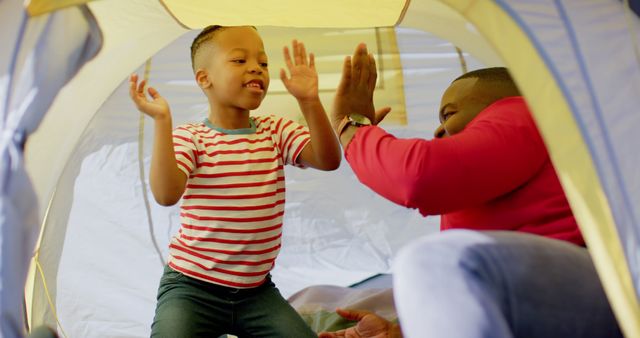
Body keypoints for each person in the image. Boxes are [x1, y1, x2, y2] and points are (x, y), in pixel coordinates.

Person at [320, 44, 622, 338]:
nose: (438, 131)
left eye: (448, 114)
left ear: (499, 101)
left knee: (434, 261)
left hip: (593, 288)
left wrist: (351, 126)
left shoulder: (524, 111)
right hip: (548, 295)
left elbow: (418, 177)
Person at [129, 25, 340, 337]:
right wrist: (163, 122)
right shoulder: (192, 137)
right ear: (204, 79)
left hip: (256, 293)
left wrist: (309, 101)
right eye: (239, 60)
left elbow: (328, 160)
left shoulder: (274, 130)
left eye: (263, 63)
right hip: (191, 289)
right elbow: (165, 194)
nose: (256, 67)